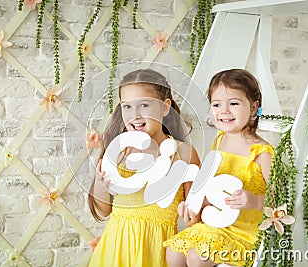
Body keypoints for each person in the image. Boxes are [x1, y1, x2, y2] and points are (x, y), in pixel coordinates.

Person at [88, 69, 201, 267]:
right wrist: (100, 183)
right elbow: (104, 210)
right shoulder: (119, 151)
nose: (135, 115)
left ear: (165, 108)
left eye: (144, 105)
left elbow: (197, 215)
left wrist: (192, 215)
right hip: (117, 249)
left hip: (158, 250)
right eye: (127, 107)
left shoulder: (183, 153)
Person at [164, 69, 274, 267]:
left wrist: (255, 200)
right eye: (216, 104)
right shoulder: (219, 141)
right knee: (174, 252)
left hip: (244, 233)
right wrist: (194, 207)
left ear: (253, 108)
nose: (224, 111)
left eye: (233, 103)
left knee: (197, 257)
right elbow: (212, 187)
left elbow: (281, 199)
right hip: (216, 225)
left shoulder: (261, 152)